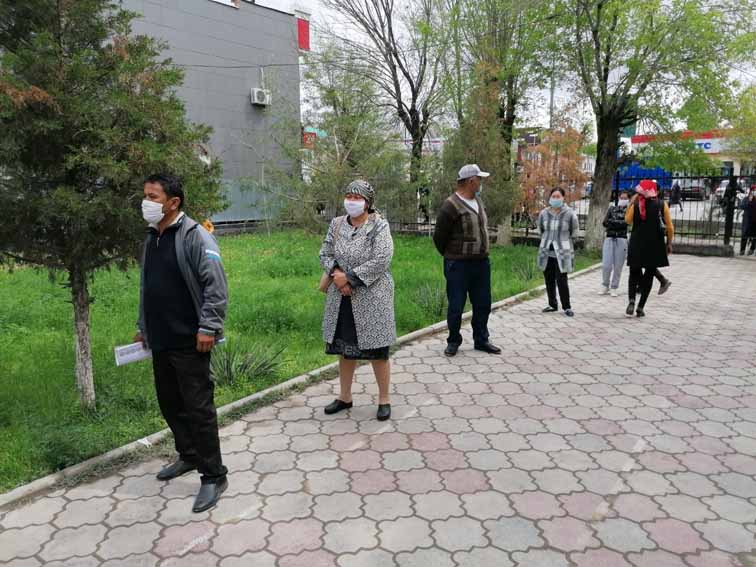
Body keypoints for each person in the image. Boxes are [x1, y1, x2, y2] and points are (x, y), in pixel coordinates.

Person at [134, 174, 229, 513]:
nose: (146, 202)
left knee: (198, 409)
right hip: (160, 339)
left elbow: (215, 285)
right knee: (170, 403)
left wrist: (209, 327)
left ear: (173, 202)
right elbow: (147, 286)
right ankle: (188, 455)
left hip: (191, 340)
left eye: (153, 196)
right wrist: (142, 326)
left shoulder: (195, 236)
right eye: (145, 195)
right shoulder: (152, 237)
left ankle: (214, 475)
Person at [319, 180, 396, 421]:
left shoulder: (378, 225)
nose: (351, 201)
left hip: (372, 297)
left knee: (377, 350)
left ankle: (384, 399)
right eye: (349, 196)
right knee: (345, 348)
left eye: (357, 197)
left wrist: (350, 279)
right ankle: (345, 397)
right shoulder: (337, 224)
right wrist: (337, 275)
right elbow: (325, 252)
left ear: (367, 202)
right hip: (341, 297)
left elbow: (382, 258)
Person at [433, 164, 502, 357]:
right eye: (479, 179)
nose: (481, 183)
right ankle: (453, 340)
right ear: (471, 181)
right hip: (458, 265)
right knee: (456, 305)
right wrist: (452, 256)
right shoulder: (450, 205)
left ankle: (481, 339)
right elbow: (439, 237)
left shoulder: (478, 201)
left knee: (483, 303)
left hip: (481, 263)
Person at [625, 179, 674, 317]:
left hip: (636, 242)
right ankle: (640, 307)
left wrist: (632, 203)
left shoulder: (636, 204)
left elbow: (627, 220)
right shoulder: (662, 204)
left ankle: (631, 301)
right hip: (655, 244)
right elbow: (670, 227)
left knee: (634, 272)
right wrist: (669, 243)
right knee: (649, 275)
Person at [538, 188, 579, 317]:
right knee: (548, 278)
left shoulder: (569, 213)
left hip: (562, 251)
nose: (555, 199)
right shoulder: (544, 213)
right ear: (550, 198)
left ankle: (567, 306)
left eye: (558, 196)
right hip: (547, 250)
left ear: (563, 198)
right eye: (553, 196)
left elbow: (574, 232)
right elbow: (540, 229)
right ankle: (552, 304)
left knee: (562, 280)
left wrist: (565, 242)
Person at [599, 190, 630, 297]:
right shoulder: (612, 209)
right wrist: (617, 223)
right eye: (621, 198)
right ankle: (605, 284)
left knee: (618, 265)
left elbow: (626, 223)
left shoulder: (629, 211)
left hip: (621, 239)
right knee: (606, 264)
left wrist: (613, 222)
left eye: (625, 198)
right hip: (609, 238)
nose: (623, 200)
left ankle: (614, 286)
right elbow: (605, 222)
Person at [740, 185, 756, 256]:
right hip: (747, 220)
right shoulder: (746, 199)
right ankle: (742, 250)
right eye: (754, 190)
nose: (755, 192)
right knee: (745, 235)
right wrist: (749, 201)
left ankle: (752, 249)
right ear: (751, 191)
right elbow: (742, 206)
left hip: (755, 221)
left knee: (755, 236)